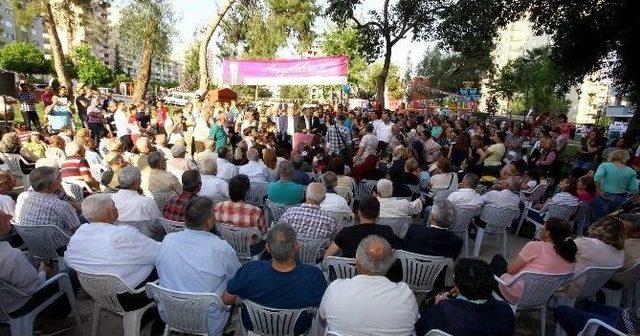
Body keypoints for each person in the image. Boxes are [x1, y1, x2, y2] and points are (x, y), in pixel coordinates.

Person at [156, 196, 241, 336]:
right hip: (208, 321)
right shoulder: (221, 248)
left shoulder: (168, 240)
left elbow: (160, 269)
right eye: (213, 215)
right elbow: (237, 279)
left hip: (170, 314)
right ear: (208, 222)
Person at [221, 224, 327, 335]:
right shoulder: (314, 277)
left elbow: (226, 299)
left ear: (267, 248)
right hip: (297, 331)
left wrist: (240, 301)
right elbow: (324, 310)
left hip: (255, 331)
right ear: (297, 247)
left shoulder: (249, 271)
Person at [319, 235, 418, 336]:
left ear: (357, 261)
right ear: (390, 263)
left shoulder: (335, 290)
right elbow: (414, 321)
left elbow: (322, 317)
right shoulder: (405, 295)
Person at [0, 210, 77, 335]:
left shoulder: (9, 255)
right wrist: (43, 271)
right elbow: (35, 287)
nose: (10, 216)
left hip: (6, 300)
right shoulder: (10, 256)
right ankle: (51, 320)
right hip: (20, 304)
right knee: (71, 273)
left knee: (34, 262)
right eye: (4, 218)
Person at [65, 194, 159, 289]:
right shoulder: (122, 233)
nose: (117, 207)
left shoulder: (80, 232)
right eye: (114, 204)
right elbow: (160, 252)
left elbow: (68, 259)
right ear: (110, 211)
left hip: (96, 290)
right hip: (130, 294)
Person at [415, 258, 515, 336]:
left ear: (458, 286)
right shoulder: (506, 310)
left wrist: (436, 306)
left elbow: (419, 329)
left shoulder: (443, 311)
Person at [491, 218, 576, 303]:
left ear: (547, 233)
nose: (541, 230)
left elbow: (511, 270)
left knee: (498, 260)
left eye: (543, 228)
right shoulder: (570, 256)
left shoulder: (535, 246)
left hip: (515, 294)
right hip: (542, 297)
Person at [561, 217, 625, 295]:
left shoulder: (588, 244)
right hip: (592, 289)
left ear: (598, 226)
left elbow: (558, 251)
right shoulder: (620, 253)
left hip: (566, 286)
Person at [324, 196, 402, 258]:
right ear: (378, 214)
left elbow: (327, 257)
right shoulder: (386, 231)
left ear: (359, 212)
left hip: (349, 276)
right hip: (379, 275)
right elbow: (398, 252)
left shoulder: (346, 232)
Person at [19, 167, 80, 239]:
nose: (61, 180)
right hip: (62, 247)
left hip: (34, 244)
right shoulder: (61, 206)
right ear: (52, 185)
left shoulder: (24, 197)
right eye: (58, 178)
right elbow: (78, 232)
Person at [593, 149, 639, 219]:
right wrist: (637, 200)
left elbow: (597, 177)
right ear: (626, 158)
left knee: (598, 220)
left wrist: (598, 190)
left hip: (603, 196)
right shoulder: (631, 171)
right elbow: (633, 188)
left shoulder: (605, 165)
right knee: (612, 221)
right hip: (619, 198)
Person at [611, 213, 640, 284]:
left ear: (636, 233)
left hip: (617, 278)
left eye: (622, 230)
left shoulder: (621, 246)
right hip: (632, 278)